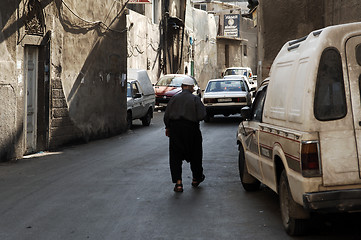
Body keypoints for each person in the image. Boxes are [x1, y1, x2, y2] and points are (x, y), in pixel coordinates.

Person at [164, 76, 207, 192]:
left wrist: (168, 127)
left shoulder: (173, 99)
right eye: (193, 87)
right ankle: (196, 178)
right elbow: (202, 115)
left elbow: (167, 115)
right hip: (191, 130)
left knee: (175, 157)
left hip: (175, 131)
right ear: (190, 87)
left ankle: (178, 183)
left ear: (183, 87)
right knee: (196, 155)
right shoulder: (195, 99)